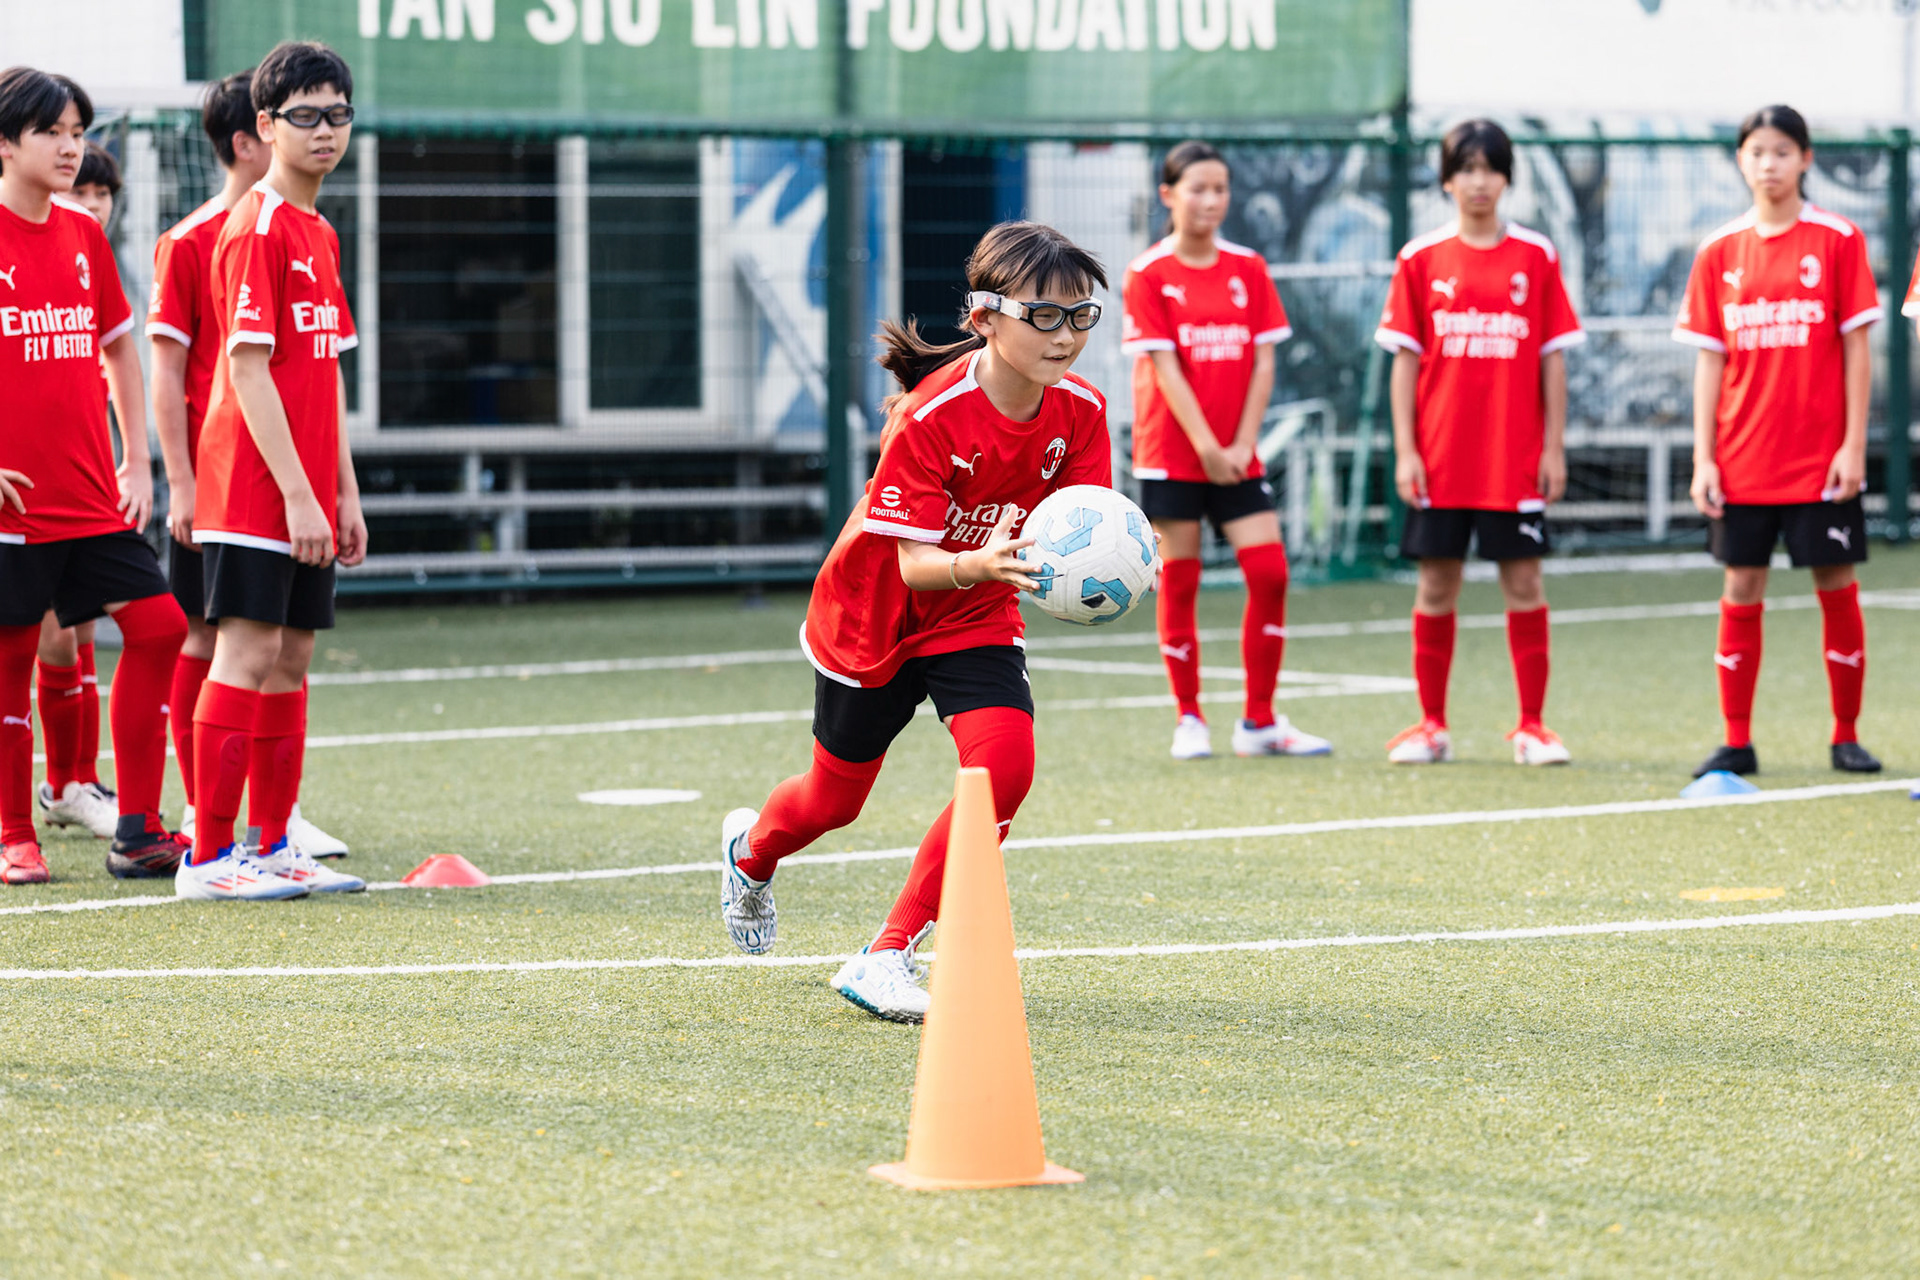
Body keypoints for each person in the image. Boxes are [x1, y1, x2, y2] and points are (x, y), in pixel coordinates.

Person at [718, 220, 1111, 1023]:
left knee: (1005, 766)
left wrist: (1106, 565)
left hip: (975, 613)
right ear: (984, 317)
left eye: (1079, 316)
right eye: (1042, 314)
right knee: (833, 801)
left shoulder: (1084, 412)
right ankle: (750, 853)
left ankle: (886, 953)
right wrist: (985, 562)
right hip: (876, 616)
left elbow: (1082, 523)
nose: (1064, 334)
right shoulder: (931, 416)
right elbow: (914, 566)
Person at [178, 40, 367, 899]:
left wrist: (343, 495)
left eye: (337, 114)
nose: (324, 131)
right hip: (251, 486)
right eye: (304, 117)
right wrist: (298, 493)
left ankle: (272, 842)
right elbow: (245, 370)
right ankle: (209, 859)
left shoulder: (319, 231)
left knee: (292, 657)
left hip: (304, 492)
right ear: (265, 126)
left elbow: (322, 374)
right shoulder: (254, 226)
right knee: (245, 654)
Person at [0, 67, 189, 884]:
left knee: (161, 628)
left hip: (89, 492)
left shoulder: (82, 235)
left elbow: (119, 344)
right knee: (11, 663)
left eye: (79, 130)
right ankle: (14, 834)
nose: (72, 146)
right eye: (52, 132)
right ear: (5, 143)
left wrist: (136, 456)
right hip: (17, 503)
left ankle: (139, 829)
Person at [1675, 105, 1883, 778]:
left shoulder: (1838, 239)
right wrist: (1704, 456)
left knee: (1835, 582)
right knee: (1742, 584)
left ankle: (1845, 734)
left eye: (1782, 151)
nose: (1769, 164)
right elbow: (1710, 360)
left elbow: (1858, 349)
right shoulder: (1718, 251)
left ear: (1806, 159)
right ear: (1741, 160)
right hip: (1742, 460)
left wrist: (1854, 445)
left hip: (1819, 459)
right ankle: (1737, 739)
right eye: (1757, 151)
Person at [1373, 119, 1585, 766]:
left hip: (1513, 457)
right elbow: (1405, 362)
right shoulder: (1420, 259)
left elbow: (1553, 359)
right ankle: (1432, 725)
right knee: (1437, 586)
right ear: (1446, 179)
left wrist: (1553, 447)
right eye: (1466, 168)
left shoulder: (1536, 256)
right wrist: (1407, 451)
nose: (1478, 181)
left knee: (1524, 583)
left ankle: (1532, 727)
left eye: (1490, 168)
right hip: (1441, 458)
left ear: (1507, 178)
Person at [1121, 141, 1330, 762]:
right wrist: (1207, 447)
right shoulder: (1148, 274)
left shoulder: (1248, 268)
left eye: (1221, 189)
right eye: (1197, 189)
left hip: (1237, 454)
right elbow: (1165, 369)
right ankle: (1189, 718)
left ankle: (1260, 723)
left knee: (1270, 573)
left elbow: (1265, 360)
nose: (1211, 200)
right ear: (1169, 195)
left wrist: (1240, 444)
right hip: (1173, 453)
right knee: (1179, 583)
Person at [32, 140, 122, 840]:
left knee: (79, 630)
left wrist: (131, 462)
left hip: (84, 475)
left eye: (103, 192)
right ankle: (61, 783)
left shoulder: (94, 259)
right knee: (49, 637)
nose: (92, 204)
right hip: (28, 479)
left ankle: (74, 778)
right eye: (82, 191)